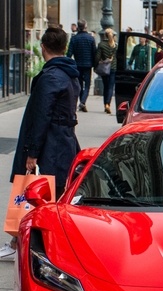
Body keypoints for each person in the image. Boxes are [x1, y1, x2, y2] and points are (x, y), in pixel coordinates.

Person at [1, 27, 81, 262]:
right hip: (65, 140)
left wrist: (32, 152)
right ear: (64, 48)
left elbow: (41, 116)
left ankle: (27, 243)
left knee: (36, 193)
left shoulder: (51, 77)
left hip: (50, 144)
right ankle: (22, 241)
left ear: (43, 47)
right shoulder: (70, 74)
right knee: (54, 193)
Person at [66, 19, 96, 112]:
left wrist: (68, 63)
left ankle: (81, 101)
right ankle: (83, 102)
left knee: (78, 84)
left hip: (77, 64)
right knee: (87, 84)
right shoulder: (91, 38)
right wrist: (95, 64)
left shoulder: (74, 38)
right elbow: (94, 52)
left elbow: (69, 53)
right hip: (88, 65)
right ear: (85, 27)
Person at [95, 28, 117, 114]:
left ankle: (105, 104)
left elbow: (97, 57)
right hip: (113, 67)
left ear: (104, 35)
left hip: (104, 67)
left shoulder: (101, 44)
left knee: (106, 86)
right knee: (111, 87)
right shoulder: (115, 45)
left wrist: (96, 65)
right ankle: (108, 103)